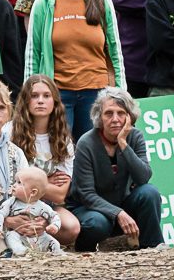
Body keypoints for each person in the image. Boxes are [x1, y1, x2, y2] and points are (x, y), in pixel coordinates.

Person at [25, 0, 124, 139]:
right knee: (61, 154)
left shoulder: (102, 2)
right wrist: (30, 94)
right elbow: (32, 54)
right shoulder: (43, 4)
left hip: (97, 94)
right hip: (58, 94)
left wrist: (121, 94)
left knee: (94, 155)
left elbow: (115, 51)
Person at [68, 88, 162, 250]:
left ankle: (152, 247)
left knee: (149, 192)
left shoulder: (135, 136)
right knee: (97, 223)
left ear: (129, 117)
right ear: (99, 117)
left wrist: (123, 144)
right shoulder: (86, 143)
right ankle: (85, 252)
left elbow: (143, 177)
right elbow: (86, 194)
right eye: (109, 113)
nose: (115, 119)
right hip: (90, 209)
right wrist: (118, 213)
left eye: (121, 113)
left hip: (122, 202)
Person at [9, 75, 81, 246]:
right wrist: (45, 182)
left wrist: (27, 184)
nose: (40, 101)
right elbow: (8, 182)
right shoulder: (9, 131)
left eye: (46, 96)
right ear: (26, 100)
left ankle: (38, 237)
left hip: (46, 205)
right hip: (12, 204)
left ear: (55, 101)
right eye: (34, 96)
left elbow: (59, 194)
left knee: (72, 228)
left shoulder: (64, 140)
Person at [0, 167, 64, 256]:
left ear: (33, 192)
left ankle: (57, 253)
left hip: (38, 237)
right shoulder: (11, 202)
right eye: (15, 181)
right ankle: (22, 252)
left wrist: (54, 226)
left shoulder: (42, 206)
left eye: (19, 183)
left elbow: (54, 216)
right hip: (18, 235)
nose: (14, 185)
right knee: (11, 236)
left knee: (54, 242)